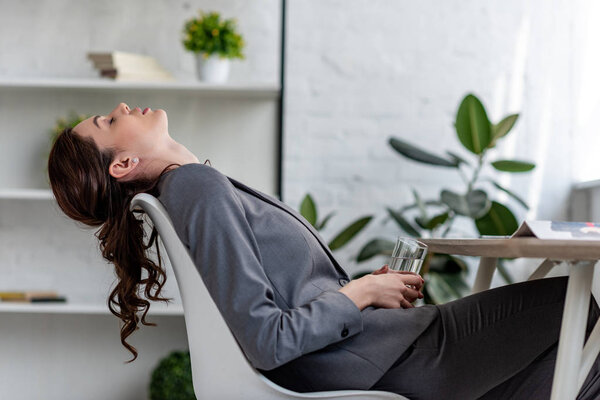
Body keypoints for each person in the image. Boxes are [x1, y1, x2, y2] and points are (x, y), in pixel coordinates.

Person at [47, 102, 600, 400]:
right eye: (108, 121)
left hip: (378, 354)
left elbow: (276, 304)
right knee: (576, 314)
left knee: (568, 345)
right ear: (121, 165)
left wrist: (366, 292)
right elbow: (267, 339)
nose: (121, 106)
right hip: (393, 363)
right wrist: (359, 293)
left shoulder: (193, 189)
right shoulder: (194, 187)